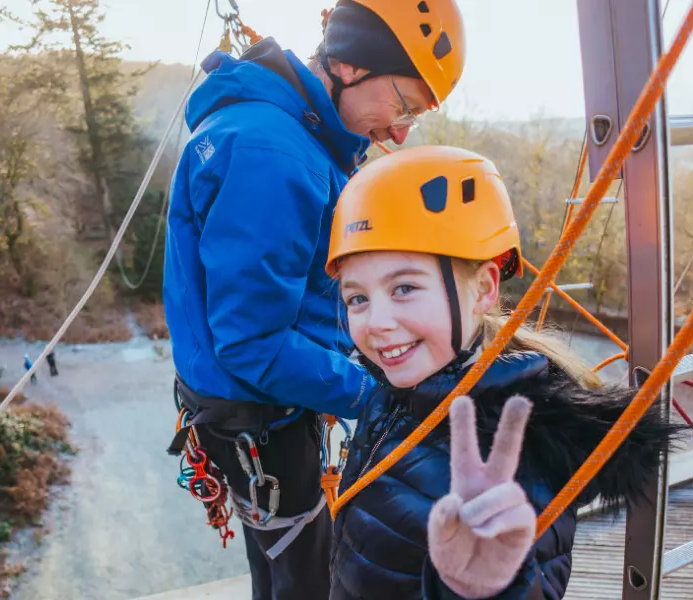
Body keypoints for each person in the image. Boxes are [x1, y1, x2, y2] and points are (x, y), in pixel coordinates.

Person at [162, 2, 466, 598]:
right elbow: (253, 342)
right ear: (351, 65)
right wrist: (380, 397)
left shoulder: (288, 134)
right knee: (306, 576)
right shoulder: (274, 155)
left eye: (415, 117)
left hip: (252, 403)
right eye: (403, 104)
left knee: (279, 565)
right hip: (259, 412)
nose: (401, 131)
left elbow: (285, 298)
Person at [324, 145, 683, 599]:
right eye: (357, 298)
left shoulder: (513, 450)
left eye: (405, 288)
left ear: (485, 289)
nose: (375, 322)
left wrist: (485, 586)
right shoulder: (402, 392)